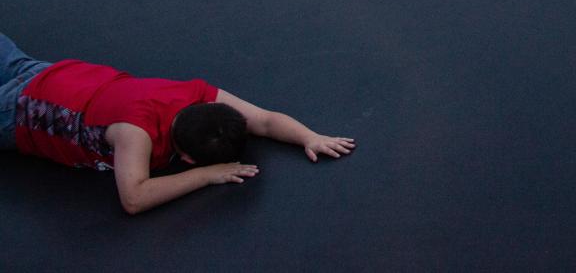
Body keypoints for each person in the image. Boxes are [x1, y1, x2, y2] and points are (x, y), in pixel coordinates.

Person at [0, 33, 355, 215]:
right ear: (185, 157)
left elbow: (262, 120)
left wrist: (309, 137)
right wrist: (207, 175)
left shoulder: (194, 92)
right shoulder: (135, 133)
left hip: (53, 74)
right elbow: (134, 198)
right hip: (18, 110)